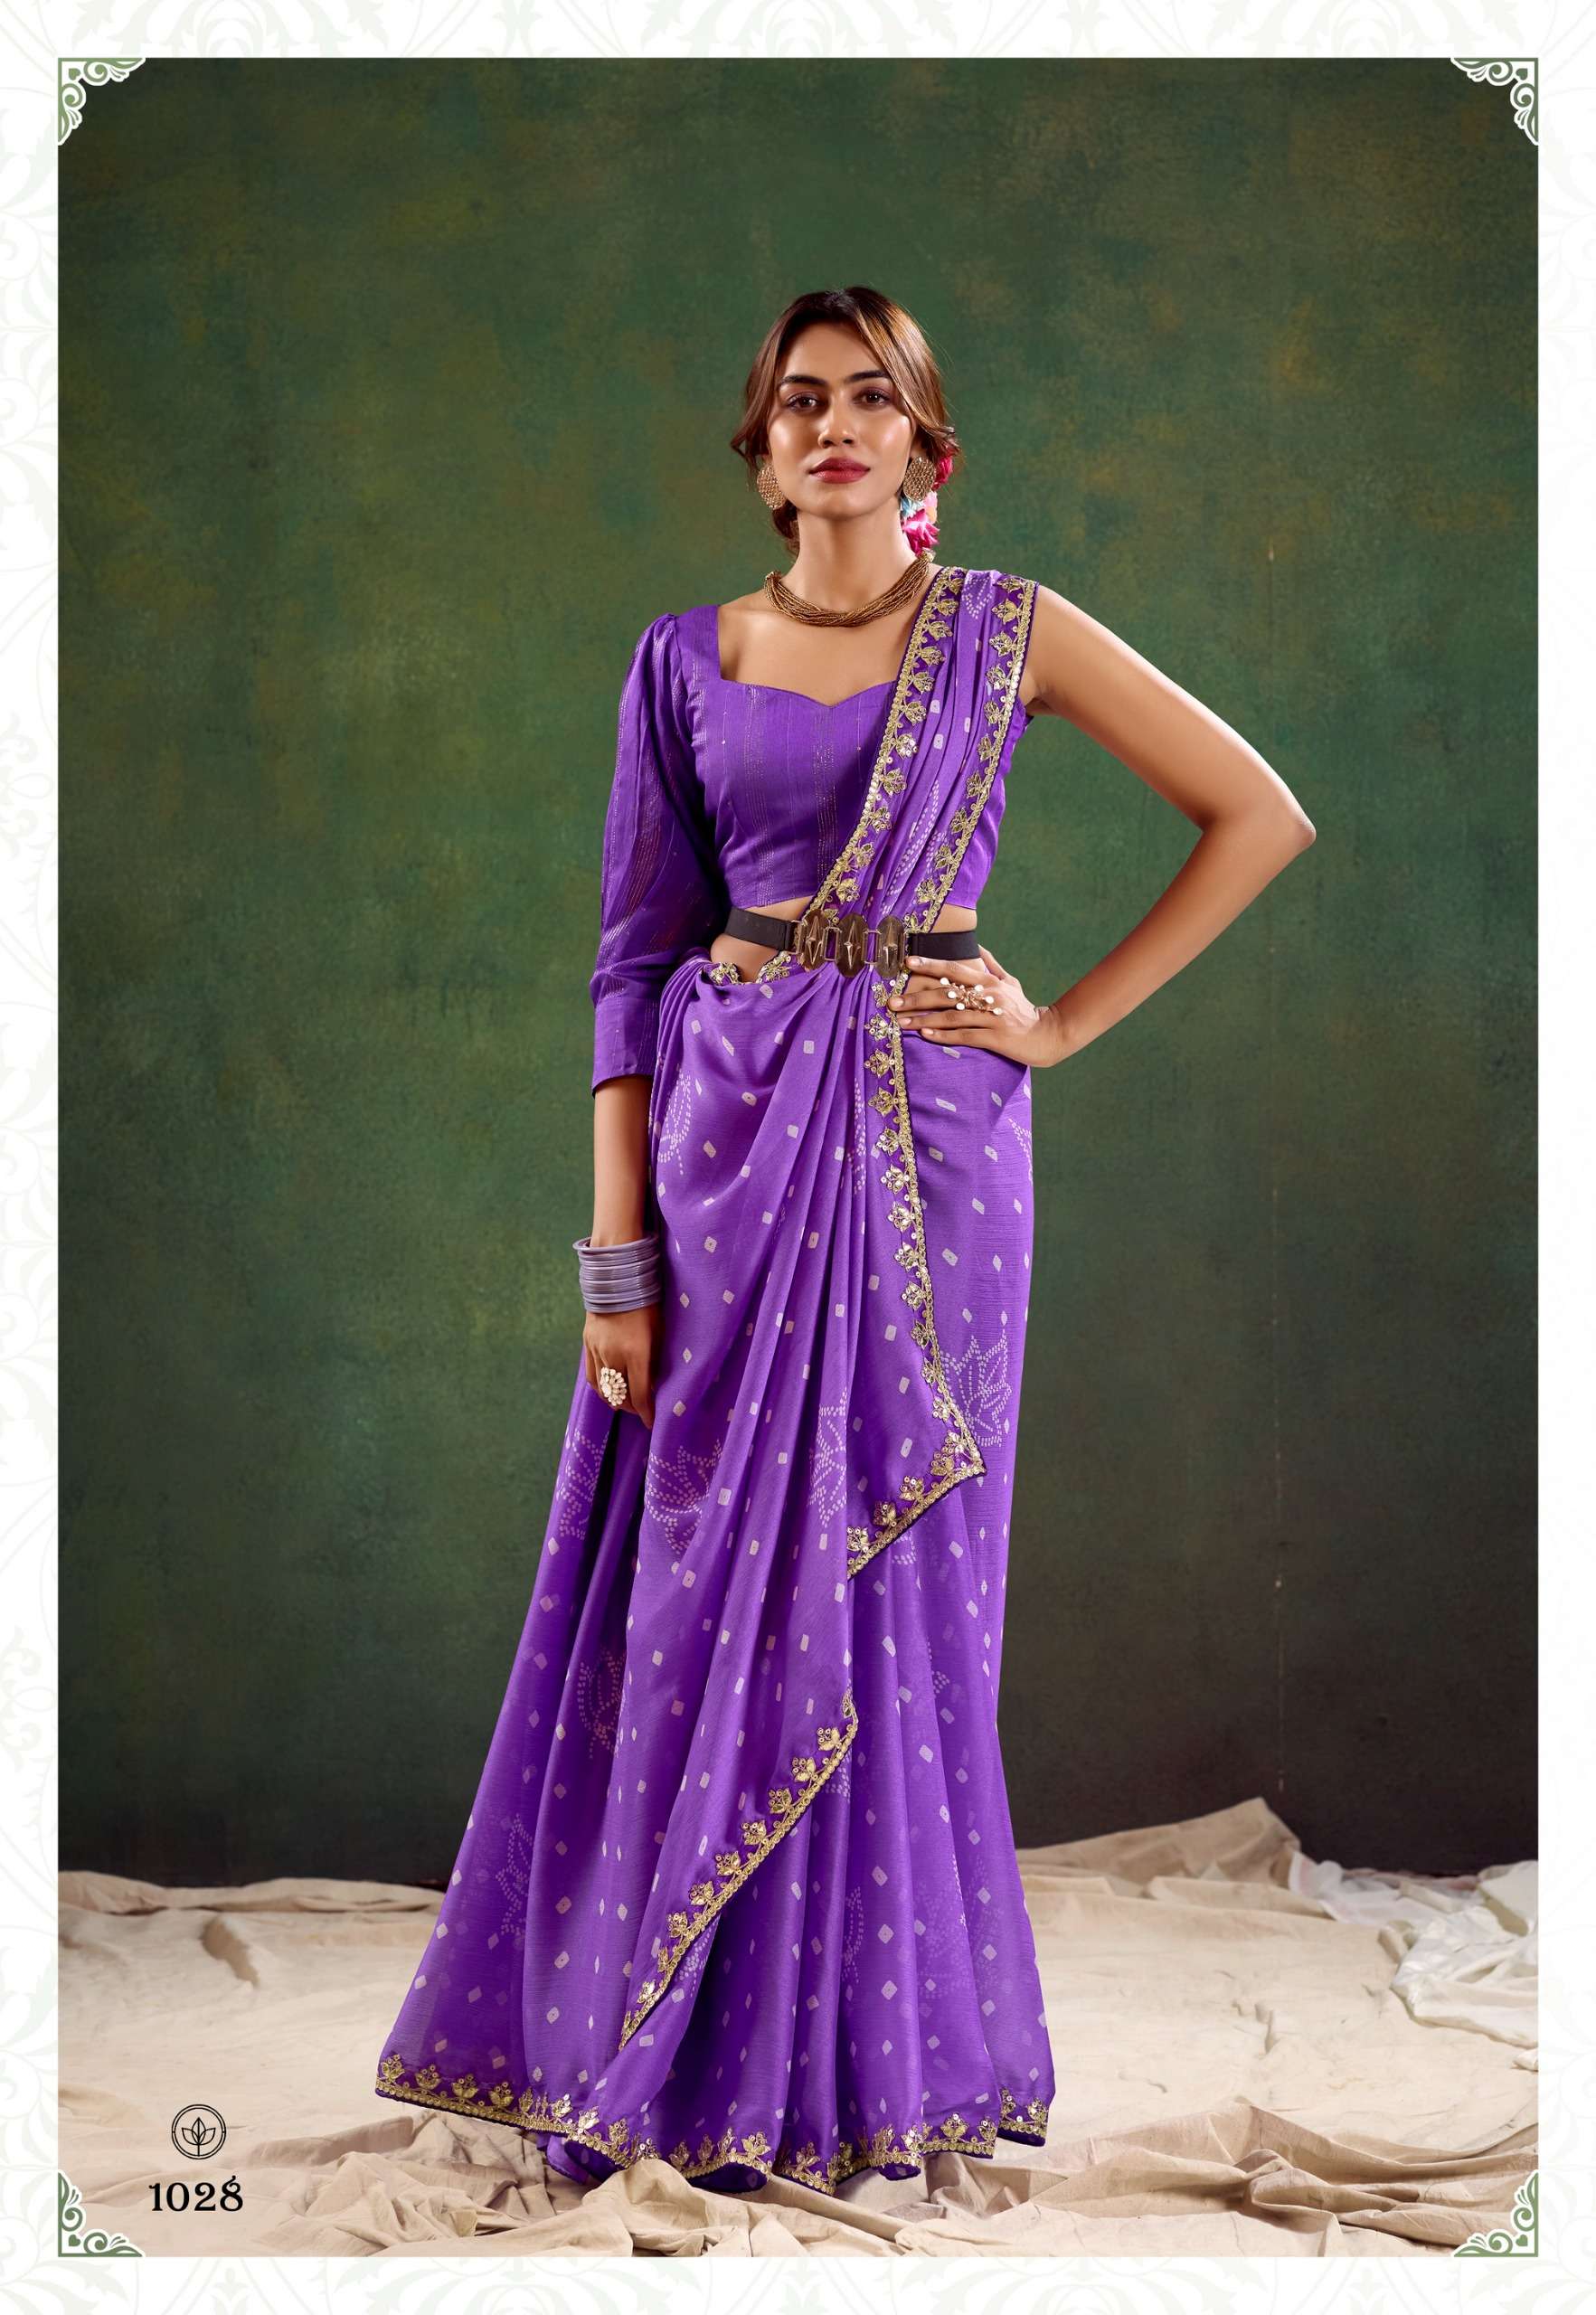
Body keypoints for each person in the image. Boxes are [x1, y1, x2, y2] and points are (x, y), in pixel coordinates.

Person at [375, 286, 1316, 2198]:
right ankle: (676, 2048)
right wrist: (615, 1262)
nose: (832, 425)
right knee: (696, 1584)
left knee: (900, 1584)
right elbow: (630, 964)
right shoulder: (683, 658)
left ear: (924, 444)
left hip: (931, 1157)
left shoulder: (1010, 631)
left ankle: (858, 2071)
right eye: (799, 399)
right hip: (721, 1153)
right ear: (760, 448)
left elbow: (1256, 812)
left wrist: (1055, 1025)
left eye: (870, 398)